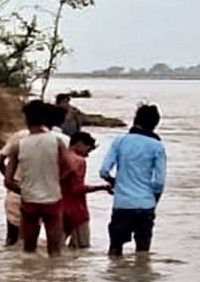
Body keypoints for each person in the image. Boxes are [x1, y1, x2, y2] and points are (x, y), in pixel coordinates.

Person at [3, 99, 70, 256]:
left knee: (28, 251)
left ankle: (29, 277)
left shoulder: (19, 144)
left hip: (30, 201)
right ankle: (50, 278)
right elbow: (71, 168)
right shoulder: (57, 141)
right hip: (52, 200)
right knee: (55, 253)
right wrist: (56, 183)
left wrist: (25, 190)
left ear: (26, 119)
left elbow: (8, 181)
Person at [100, 104, 167, 256]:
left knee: (115, 249)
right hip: (145, 204)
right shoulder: (157, 146)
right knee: (143, 253)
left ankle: (114, 277)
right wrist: (153, 199)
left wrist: (114, 182)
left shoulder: (120, 141)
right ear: (155, 124)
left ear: (136, 120)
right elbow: (159, 182)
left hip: (122, 203)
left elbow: (104, 171)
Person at [60, 131, 111, 249]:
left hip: (58, 208)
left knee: (57, 246)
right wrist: (101, 187)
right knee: (81, 249)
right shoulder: (79, 161)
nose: (87, 155)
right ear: (79, 144)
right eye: (88, 150)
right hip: (77, 210)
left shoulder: (60, 157)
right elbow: (77, 189)